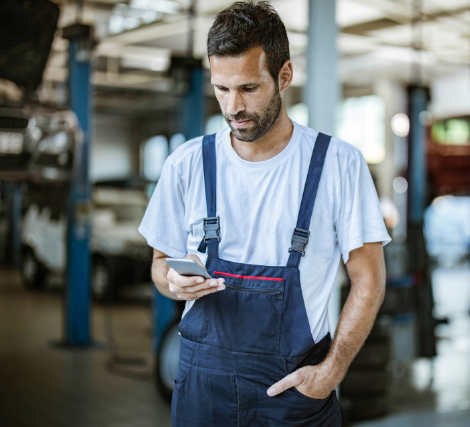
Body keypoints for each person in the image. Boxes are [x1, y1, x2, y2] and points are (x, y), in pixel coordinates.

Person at [139, 1, 390, 425]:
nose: (233, 106)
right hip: (202, 394)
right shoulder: (187, 164)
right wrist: (172, 282)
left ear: (284, 76)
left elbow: (370, 278)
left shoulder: (338, 165)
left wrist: (332, 371)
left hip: (293, 396)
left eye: (249, 88)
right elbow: (160, 265)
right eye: (222, 89)